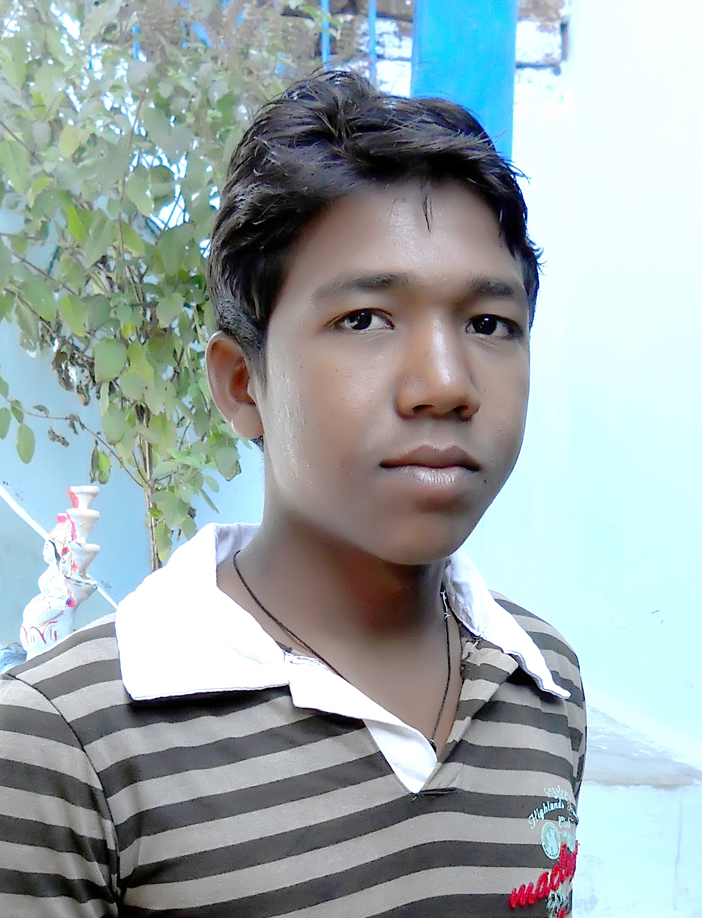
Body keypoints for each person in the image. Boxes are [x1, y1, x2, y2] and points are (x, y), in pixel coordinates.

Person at [0, 71, 585, 917]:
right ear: (243, 385)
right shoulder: (62, 743)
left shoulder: (546, 683)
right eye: (365, 319)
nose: (447, 384)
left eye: (489, 324)